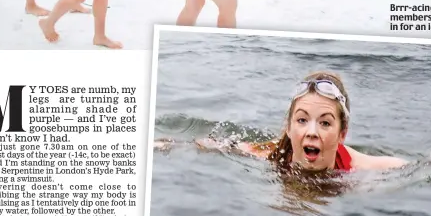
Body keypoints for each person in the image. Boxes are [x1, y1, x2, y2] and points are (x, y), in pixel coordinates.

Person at [155, 72, 409, 173]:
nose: (311, 132)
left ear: (342, 134)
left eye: (325, 123)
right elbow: (211, 145)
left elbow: (408, 167)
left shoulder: (355, 166)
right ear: (289, 127)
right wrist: (169, 145)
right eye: (302, 120)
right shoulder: (270, 155)